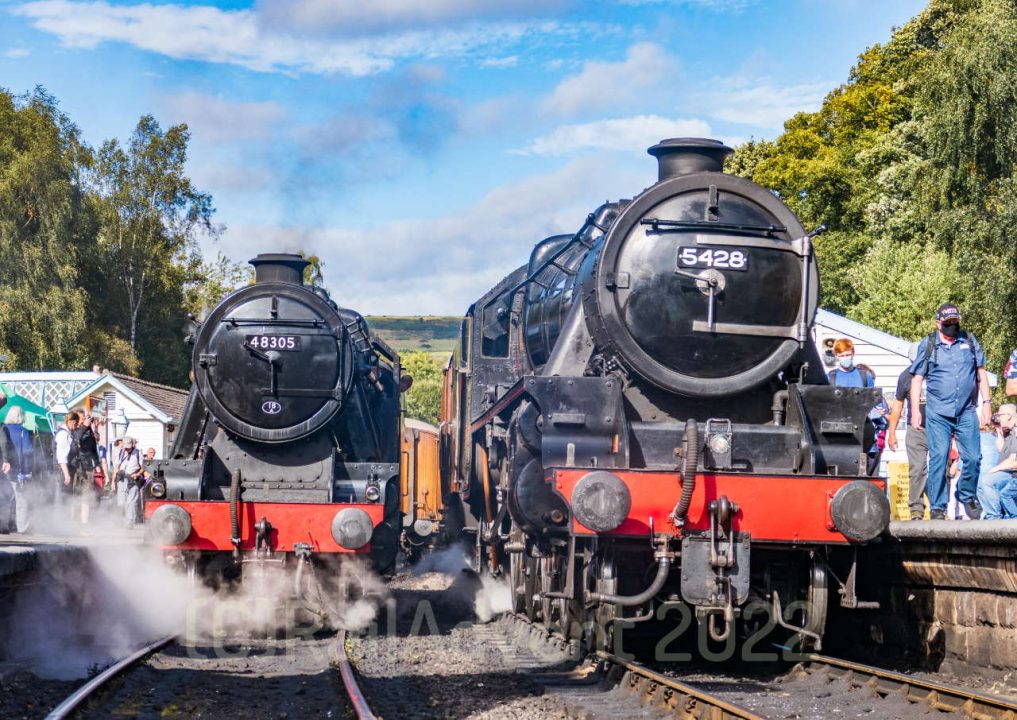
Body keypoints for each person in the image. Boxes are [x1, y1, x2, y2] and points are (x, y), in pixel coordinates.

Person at [909, 303, 992, 520]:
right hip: (938, 413)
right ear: (938, 323)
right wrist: (916, 411)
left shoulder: (970, 341)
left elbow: (980, 373)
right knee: (939, 457)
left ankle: (966, 495)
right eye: (947, 323)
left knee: (973, 457)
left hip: (966, 410)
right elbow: (917, 379)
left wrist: (987, 403)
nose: (952, 327)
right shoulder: (928, 345)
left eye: (955, 322)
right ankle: (938, 506)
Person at [828, 337, 889, 473]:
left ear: (853, 353)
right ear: (837, 356)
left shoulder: (864, 376)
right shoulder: (831, 377)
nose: (846, 358)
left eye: (848, 354)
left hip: (863, 432)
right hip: (840, 434)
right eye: (842, 355)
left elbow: (874, 403)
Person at [887, 342, 928, 520]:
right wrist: (892, 432)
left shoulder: (938, 373)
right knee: (917, 469)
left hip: (939, 427)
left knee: (941, 468)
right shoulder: (906, 376)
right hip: (916, 429)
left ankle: (940, 508)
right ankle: (916, 510)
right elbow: (897, 406)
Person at [978, 404, 1017, 520]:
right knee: (980, 485)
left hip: (1012, 473)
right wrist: (999, 431)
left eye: (1000, 415)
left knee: (987, 480)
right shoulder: (1009, 431)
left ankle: (995, 517)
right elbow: (1001, 450)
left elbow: (1014, 461)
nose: (998, 418)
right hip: (1008, 471)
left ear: (1009, 416)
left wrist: (996, 469)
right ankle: (996, 514)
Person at [3, 407, 35, 533]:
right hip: (19, 471)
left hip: (4, 470)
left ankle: (3, 526)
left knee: (5, 499)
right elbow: (28, 451)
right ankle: (23, 527)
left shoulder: (3, 429)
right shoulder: (23, 432)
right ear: (21, 416)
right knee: (21, 500)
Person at [54, 411, 83, 521]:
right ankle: (60, 524)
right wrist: (67, 475)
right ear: (71, 422)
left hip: (67, 469)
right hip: (63, 470)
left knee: (66, 497)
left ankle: (65, 523)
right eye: (75, 424)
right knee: (62, 498)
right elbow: (62, 457)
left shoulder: (68, 433)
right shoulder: (63, 434)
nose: (76, 427)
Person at [116, 437, 144, 527]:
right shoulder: (120, 452)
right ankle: (121, 520)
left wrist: (138, 474)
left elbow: (143, 467)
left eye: (129, 446)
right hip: (122, 479)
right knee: (121, 502)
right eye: (126, 447)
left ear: (132, 444)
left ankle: (130, 522)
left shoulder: (138, 453)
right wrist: (113, 480)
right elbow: (117, 466)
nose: (127, 449)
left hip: (133, 479)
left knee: (131, 502)